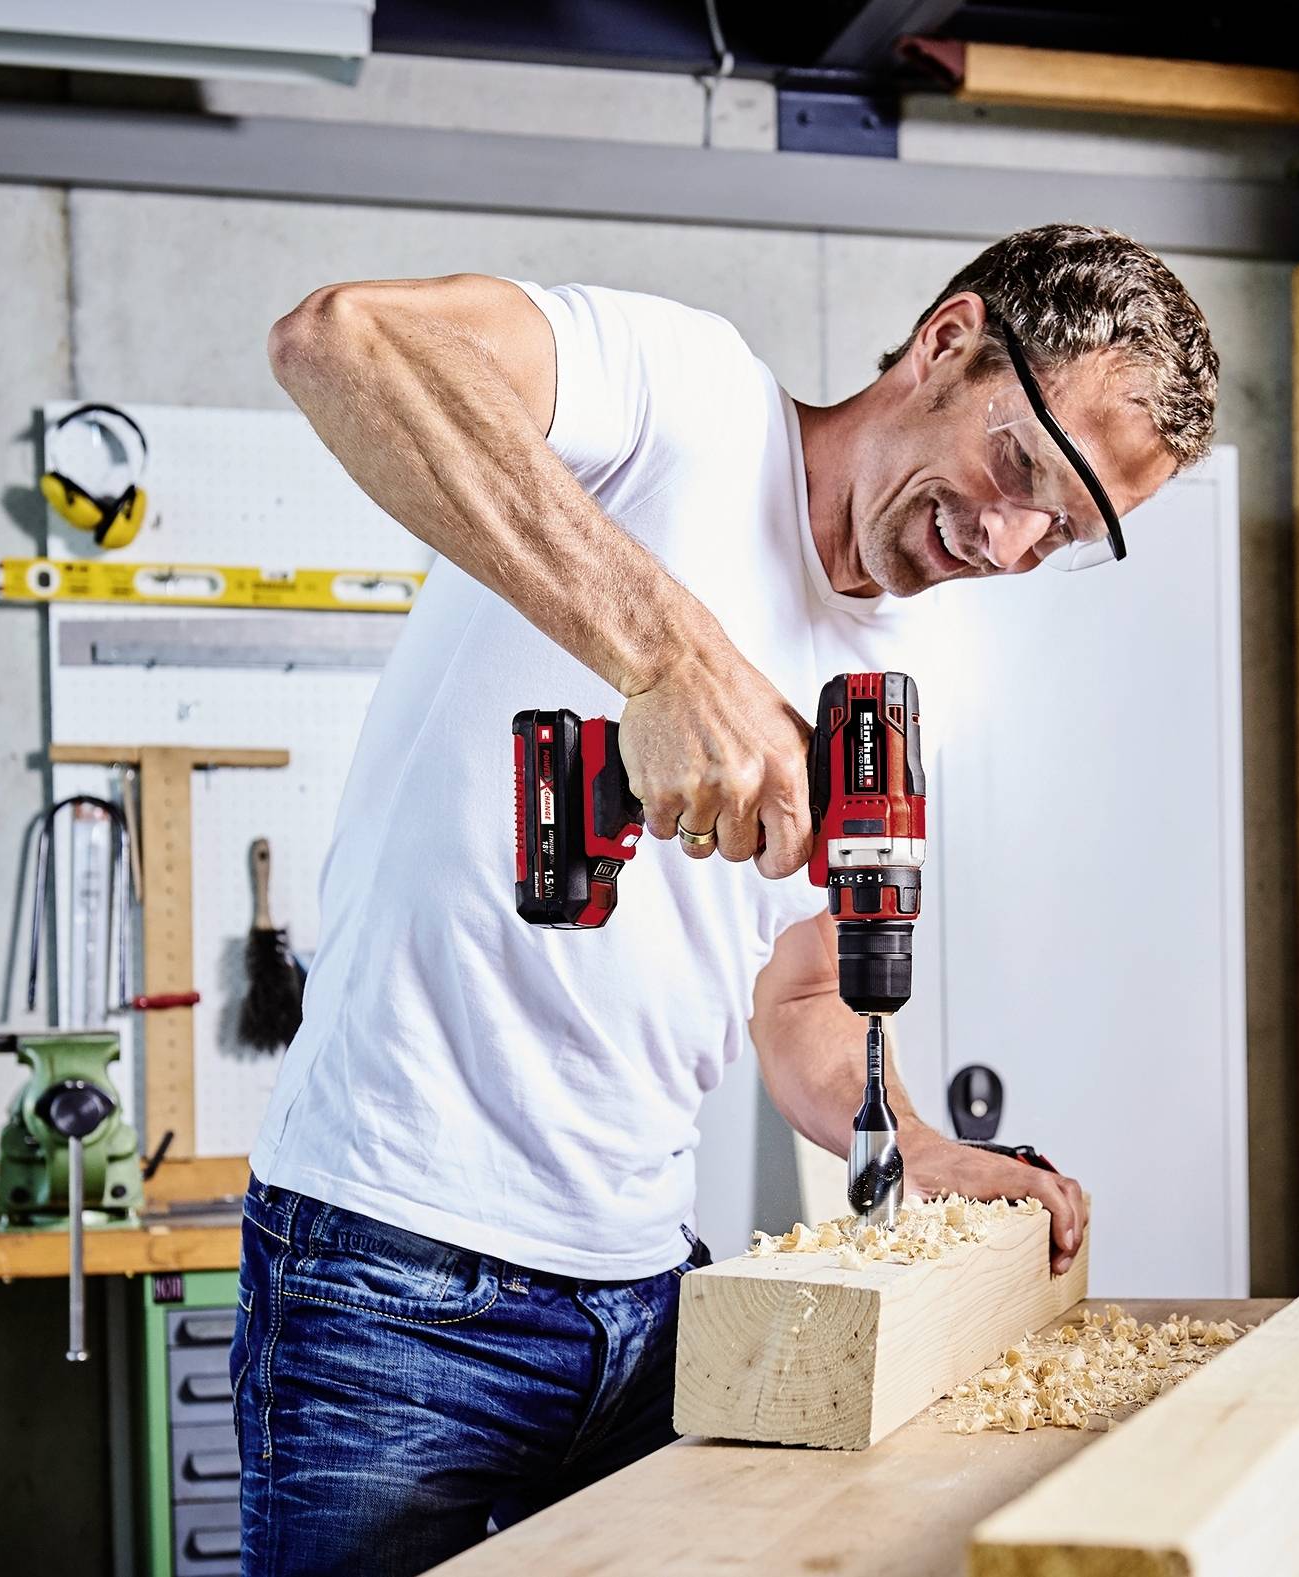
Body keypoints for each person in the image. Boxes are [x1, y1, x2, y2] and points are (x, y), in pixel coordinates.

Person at [236, 223, 1221, 1575]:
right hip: (394, 1273)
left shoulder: (925, 671)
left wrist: (906, 1141)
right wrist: (663, 655)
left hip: (657, 1291)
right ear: (947, 342)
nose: (1006, 540)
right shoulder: (680, 396)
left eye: (1063, 529)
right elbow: (343, 339)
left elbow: (805, 991)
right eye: (1016, 465)